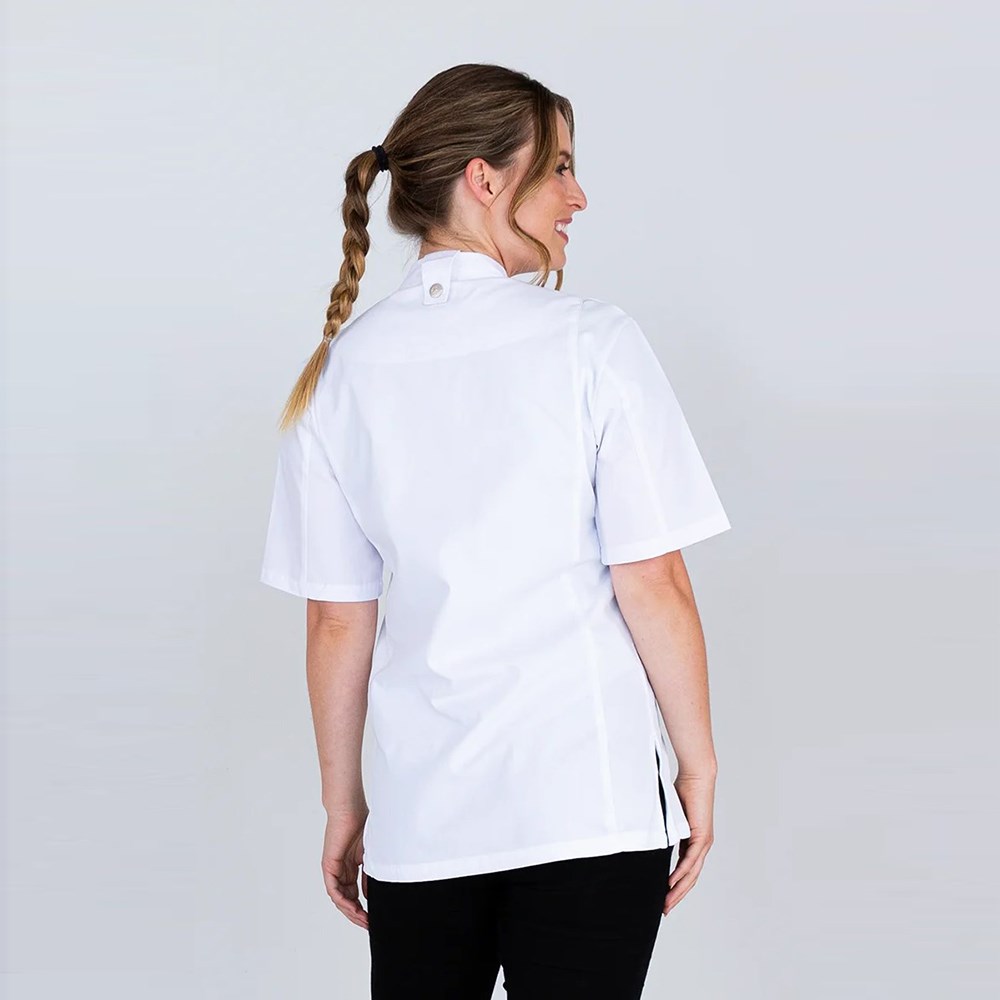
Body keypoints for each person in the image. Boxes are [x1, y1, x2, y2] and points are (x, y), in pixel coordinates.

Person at [259, 62, 731, 1000]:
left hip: (424, 822)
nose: (578, 197)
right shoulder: (593, 342)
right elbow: (654, 580)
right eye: (559, 167)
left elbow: (337, 620)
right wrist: (699, 765)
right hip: (587, 806)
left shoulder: (340, 372)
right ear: (484, 179)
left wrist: (344, 803)